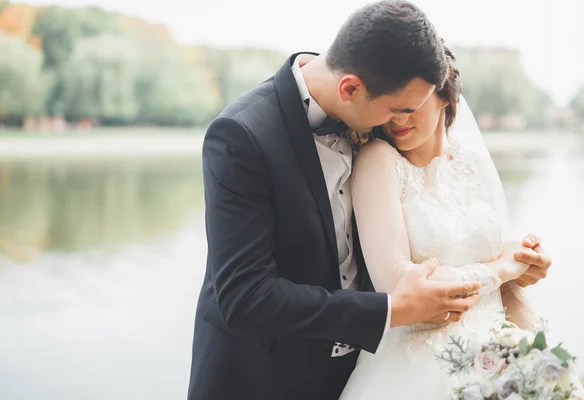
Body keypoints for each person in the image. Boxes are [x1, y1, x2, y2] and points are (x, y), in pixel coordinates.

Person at [188, 1, 552, 399]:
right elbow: (245, 297)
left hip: (368, 372)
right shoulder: (242, 136)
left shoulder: (377, 110)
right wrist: (393, 309)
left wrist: (510, 268)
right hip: (264, 380)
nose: (397, 124)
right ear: (350, 89)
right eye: (398, 110)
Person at [339, 44, 572, 399]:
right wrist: (502, 267)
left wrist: (540, 360)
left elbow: (507, 287)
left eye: (410, 105)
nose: (397, 119)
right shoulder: (378, 161)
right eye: (389, 106)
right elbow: (397, 285)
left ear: (443, 93)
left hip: (498, 357)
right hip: (416, 368)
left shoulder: (474, 162)